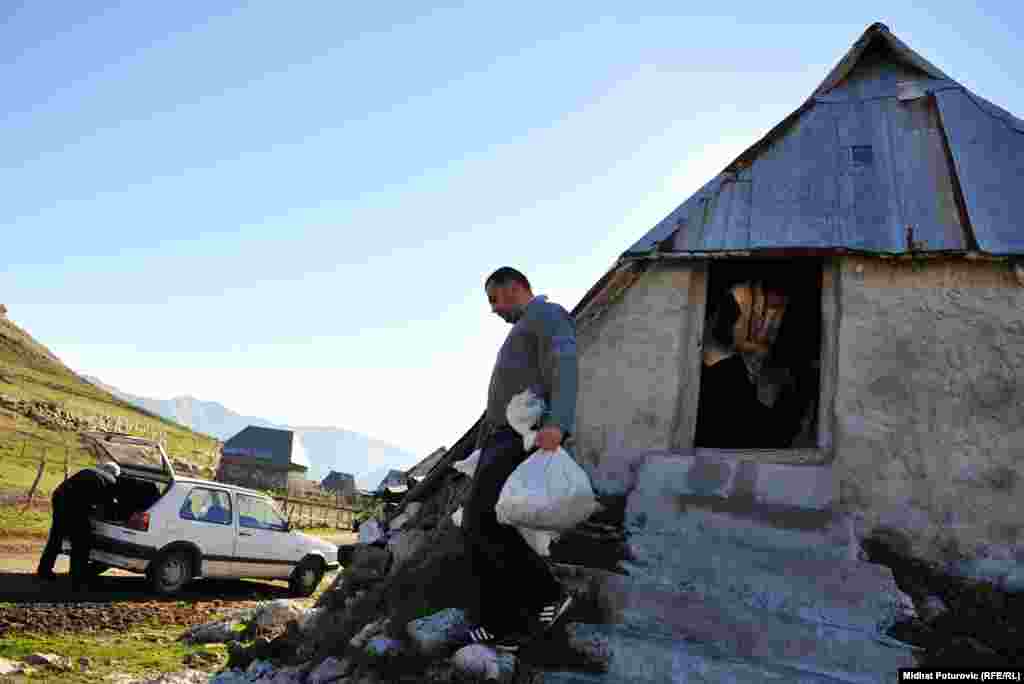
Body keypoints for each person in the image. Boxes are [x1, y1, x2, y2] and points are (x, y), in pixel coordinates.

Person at [458, 267, 577, 652]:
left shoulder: (547, 315)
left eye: (495, 299)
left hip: (518, 436)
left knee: (482, 521)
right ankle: (497, 621)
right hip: (499, 438)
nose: (493, 309)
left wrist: (558, 424)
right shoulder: (524, 327)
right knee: (487, 524)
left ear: (514, 287)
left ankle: (544, 596)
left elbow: (566, 368)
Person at [694, 279, 812, 448]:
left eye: (784, 298)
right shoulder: (738, 296)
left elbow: (772, 346)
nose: (781, 302)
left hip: (746, 366)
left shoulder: (781, 305)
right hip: (719, 362)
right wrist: (755, 348)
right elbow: (723, 337)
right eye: (778, 296)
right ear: (767, 290)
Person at [36, 461, 121, 591]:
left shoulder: (87, 470)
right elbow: (107, 505)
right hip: (75, 508)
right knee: (81, 543)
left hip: (59, 499)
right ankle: (77, 577)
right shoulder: (109, 480)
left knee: (56, 537)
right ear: (114, 474)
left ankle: (44, 571)